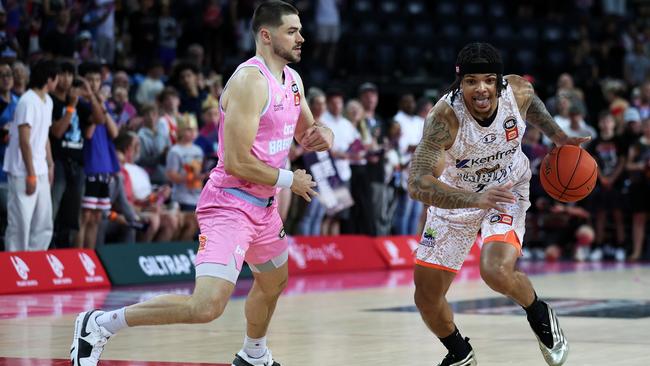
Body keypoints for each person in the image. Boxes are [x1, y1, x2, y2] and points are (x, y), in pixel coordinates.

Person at [70, 2, 333, 366]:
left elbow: (307, 132)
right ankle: (98, 324)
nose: (302, 37)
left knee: (274, 281)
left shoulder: (292, 80)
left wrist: (325, 133)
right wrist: (291, 179)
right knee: (205, 306)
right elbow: (238, 162)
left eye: (301, 30)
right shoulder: (250, 82)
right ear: (266, 35)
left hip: (265, 208)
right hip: (231, 204)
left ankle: (254, 355)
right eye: (293, 31)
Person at [407, 43, 589, 366]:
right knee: (426, 296)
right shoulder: (443, 120)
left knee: (495, 270)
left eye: (489, 80)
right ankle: (460, 353)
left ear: (500, 81)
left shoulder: (517, 91)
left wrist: (558, 136)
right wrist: (474, 199)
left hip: (508, 188)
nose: (481, 89)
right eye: (472, 81)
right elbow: (417, 183)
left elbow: (532, 106)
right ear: (459, 83)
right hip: (458, 197)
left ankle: (538, 312)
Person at [3, 60, 59, 251]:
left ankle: (34, 266)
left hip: (41, 169)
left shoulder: (48, 101)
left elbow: (44, 136)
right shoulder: (27, 101)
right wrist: (31, 173)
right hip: (22, 171)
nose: (58, 81)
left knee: (43, 223)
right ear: (49, 79)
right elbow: (24, 142)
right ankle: (15, 267)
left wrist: (50, 165)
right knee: (21, 224)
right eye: (57, 77)